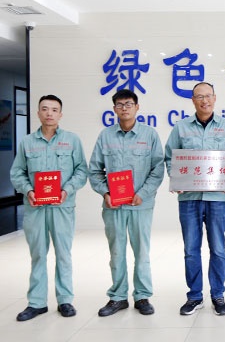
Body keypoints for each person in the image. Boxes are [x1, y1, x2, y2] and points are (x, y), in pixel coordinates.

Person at [164, 81, 225, 316]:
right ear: (193, 100)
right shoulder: (181, 128)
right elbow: (169, 157)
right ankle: (195, 296)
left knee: (218, 248)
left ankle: (218, 294)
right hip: (189, 198)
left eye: (208, 96)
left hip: (217, 198)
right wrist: (176, 178)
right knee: (191, 249)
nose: (204, 100)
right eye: (199, 96)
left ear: (215, 98)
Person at [10, 95, 88, 321]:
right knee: (37, 254)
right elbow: (17, 172)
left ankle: (65, 300)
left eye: (54, 109)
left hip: (62, 206)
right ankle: (37, 302)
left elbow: (81, 170)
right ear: (38, 113)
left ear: (60, 114)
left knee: (63, 253)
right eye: (45, 109)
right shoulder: (27, 142)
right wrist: (28, 190)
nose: (49, 113)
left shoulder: (72, 140)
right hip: (35, 207)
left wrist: (67, 190)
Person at [88, 89, 165, 317]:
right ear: (114, 109)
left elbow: (158, 168)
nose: (124, 108)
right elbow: (94, 170)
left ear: (137, 107)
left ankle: (142, 296)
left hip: (140, 205)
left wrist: (143, 193)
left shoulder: (149, 135)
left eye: (129, 104)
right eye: (120, 105)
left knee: (142, 252)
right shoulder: (105, 136)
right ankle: (118, 297)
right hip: (114, 206)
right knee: (116, 252)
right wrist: (105, 193)